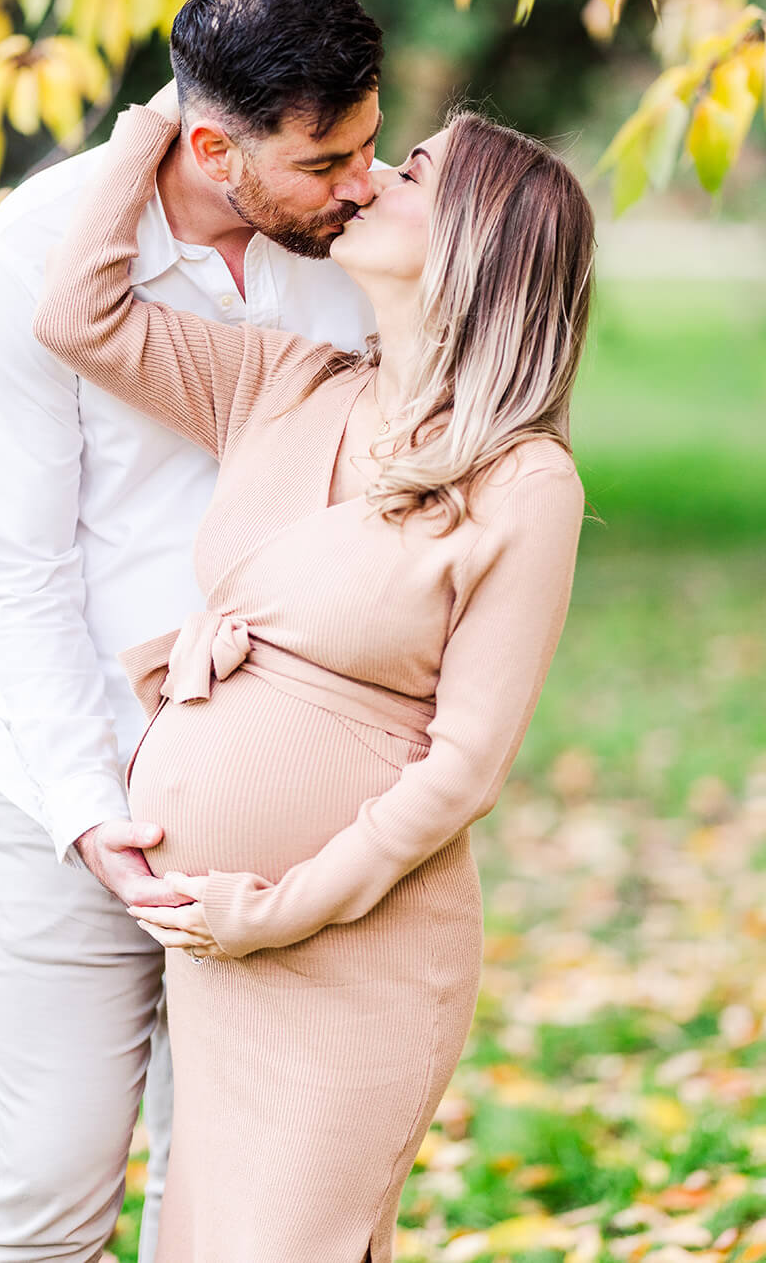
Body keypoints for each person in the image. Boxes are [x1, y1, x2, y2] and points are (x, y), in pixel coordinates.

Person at [34, 80, 595, 1263]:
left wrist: (272, 910)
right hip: (223, 953)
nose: (373, 177)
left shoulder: (522, 483)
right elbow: (77, 317)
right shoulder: (280, 383)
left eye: (418, 172)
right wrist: (167, 122)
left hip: (355, 947)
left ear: (475, 245)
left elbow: (462, 769)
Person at [0, 0, 383, 1263]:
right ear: (206, 143)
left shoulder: (361, 252)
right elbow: (16, 573)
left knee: (235, 1205)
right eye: (325, 161)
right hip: (71, 789)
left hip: (278, 803)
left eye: (367, 144)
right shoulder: (35, 255)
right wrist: (90, 809)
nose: (360, 182)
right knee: (55, 1187)